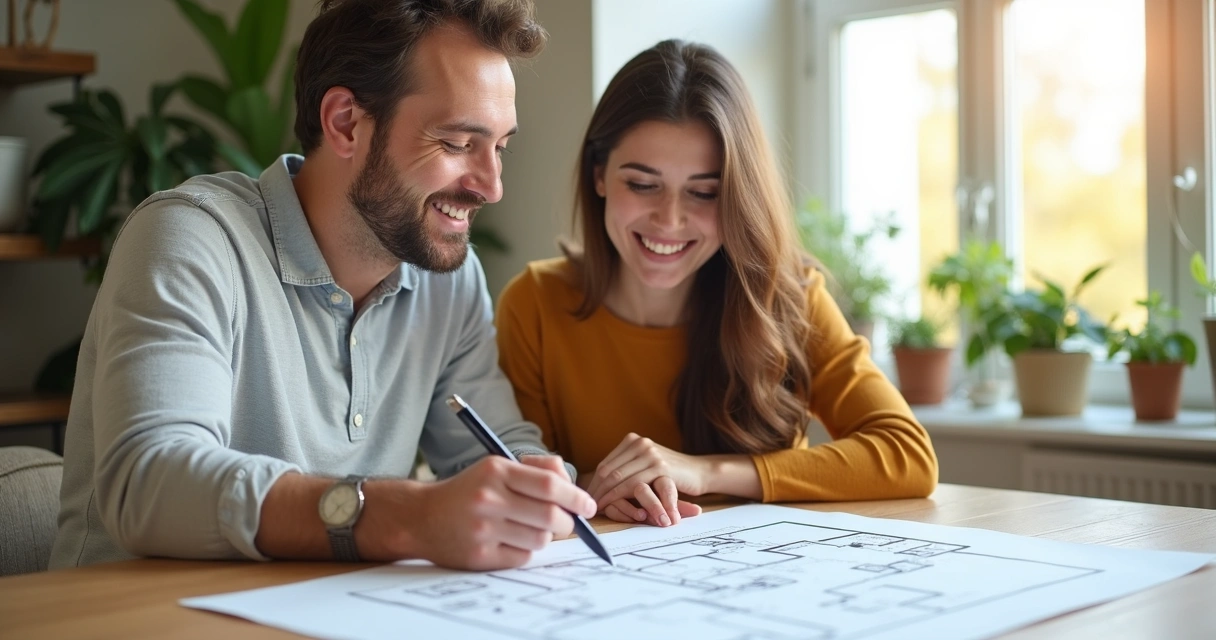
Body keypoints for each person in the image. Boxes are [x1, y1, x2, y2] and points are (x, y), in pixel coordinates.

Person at [50, 0, 595, 572]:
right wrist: (404, 514)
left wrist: (543, 488)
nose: (492, 186)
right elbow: (149, 483)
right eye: (459, 144)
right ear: (344, 123)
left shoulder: (447, 283)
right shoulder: (191, 237)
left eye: (500, 148)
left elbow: (496, 446)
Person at [495, 40, 938, 528]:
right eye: (642, 184)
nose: (669, 220)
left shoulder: (788, 298)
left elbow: (908, 455)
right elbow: (528, 473)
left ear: (737, 198)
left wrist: (705, 472)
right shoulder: (535, 303)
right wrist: (588, 490)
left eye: (705, 192)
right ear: (599, 175)